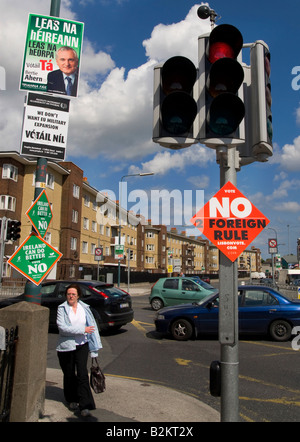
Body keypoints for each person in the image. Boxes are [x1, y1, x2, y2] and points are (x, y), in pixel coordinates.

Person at [56, 283, 102, 417]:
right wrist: (82, 330)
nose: (70, 296)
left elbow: (92, 328)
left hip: (82, 344)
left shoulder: (85, 308)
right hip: (67, 346)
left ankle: (85, 405)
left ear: (78, 296)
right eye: (69, 294)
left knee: (82, 373)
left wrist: (94, 349)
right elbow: (62, 328)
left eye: (73, 294)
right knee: (69, 374)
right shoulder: (62, 309)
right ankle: (71, 399)